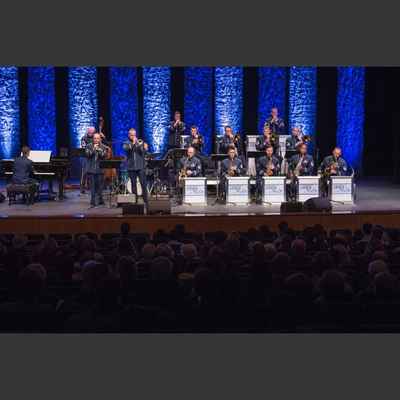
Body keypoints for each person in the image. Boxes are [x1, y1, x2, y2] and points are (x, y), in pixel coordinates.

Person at [123, 128, 149, 206]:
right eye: (132, 135)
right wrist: (134, 143)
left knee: (143, 184)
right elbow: (127, 149)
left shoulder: (140, 142)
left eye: (134, 135)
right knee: (133, 184)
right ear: (129, 135)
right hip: (131, 167)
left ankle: (146, 201)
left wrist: (144, 148)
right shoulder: (126, 143)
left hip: (140, 166)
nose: (133, 136)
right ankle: (135, 201)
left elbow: (143, 152)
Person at [85, 133, 108, 208]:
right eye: (95, 138)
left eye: (98, 138)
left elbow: (104, 156)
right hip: (91, 169)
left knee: (100, 187)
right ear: (93, 139)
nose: (96, 140)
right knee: (92, 187)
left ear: (100, 139)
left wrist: (99, 150)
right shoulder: (88, 146)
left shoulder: (103, 147)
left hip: (100, 169)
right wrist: (93, 149)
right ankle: (93, 201)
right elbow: (87, 155)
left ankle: (100, 200)